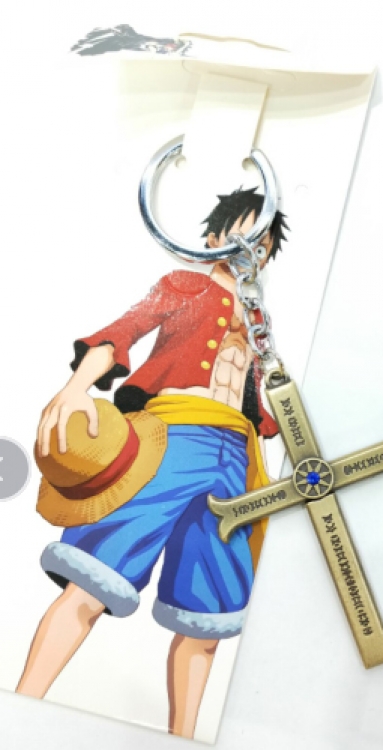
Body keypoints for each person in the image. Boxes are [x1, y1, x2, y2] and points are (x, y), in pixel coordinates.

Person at [17, 188, 289, 739]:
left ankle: (183, 739)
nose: (250, 250)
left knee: (205, 623)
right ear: (213, 237)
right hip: (169, 439)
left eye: (262, 245)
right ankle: (19, 708)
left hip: (233, 461)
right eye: (242, 234)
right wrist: (75, 387)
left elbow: (265, 412)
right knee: (89, 584)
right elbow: (121, 333)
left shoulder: (260, 320)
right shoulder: (184, 286)